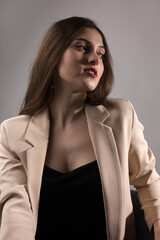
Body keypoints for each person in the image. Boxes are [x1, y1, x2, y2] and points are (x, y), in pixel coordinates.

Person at [0, 16, 160, 240]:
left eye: (100, 54)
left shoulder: (121, 117)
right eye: (82, 48)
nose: (94, 58)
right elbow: (15, 208)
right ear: (53, 56)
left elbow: (148, 181)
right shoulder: (12, 133)